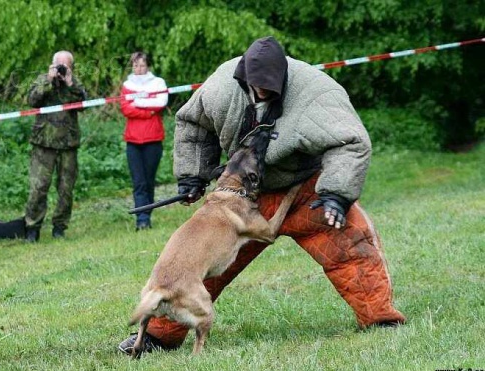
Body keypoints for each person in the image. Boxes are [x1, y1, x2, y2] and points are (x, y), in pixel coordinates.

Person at [118, 36, 406, 354]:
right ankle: (157, 337)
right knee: (201, 264)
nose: (263, 92)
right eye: (258, 87)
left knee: (351, 248)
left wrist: (336, 194)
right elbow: (191, 123)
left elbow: (351, 141)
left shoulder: (317, 92)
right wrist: (193, 176)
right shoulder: (221, 86)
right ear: (244, 77)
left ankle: (380, 319)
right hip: (240, 195)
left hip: (306, 189)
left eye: (270, 87)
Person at [24, 51, 87, 242]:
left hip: (68, 144)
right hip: (44, 143)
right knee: (38, 186)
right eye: (58, 64)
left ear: (71, 67)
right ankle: (32, 228)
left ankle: (59, 227)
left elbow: (83, 104)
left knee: (66, 189)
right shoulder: (42, 80)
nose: (61, 68)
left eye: (65, 65)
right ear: (51, 65)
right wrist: (49, 81)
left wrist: (69, 82)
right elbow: (32, 100)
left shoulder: (74, 83)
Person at [119, 52, 168, 231]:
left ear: (147, 66)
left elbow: (161, 102)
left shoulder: (158, 83)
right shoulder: (127, 85)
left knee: (148, 181)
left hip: (153, 138)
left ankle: (148, 213)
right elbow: (126, 109)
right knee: (138, 182)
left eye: (141, 65)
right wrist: (147, 109)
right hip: (133, 140)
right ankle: (142, 219)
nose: (138, 69)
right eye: (135, 65)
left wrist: (137, 103)